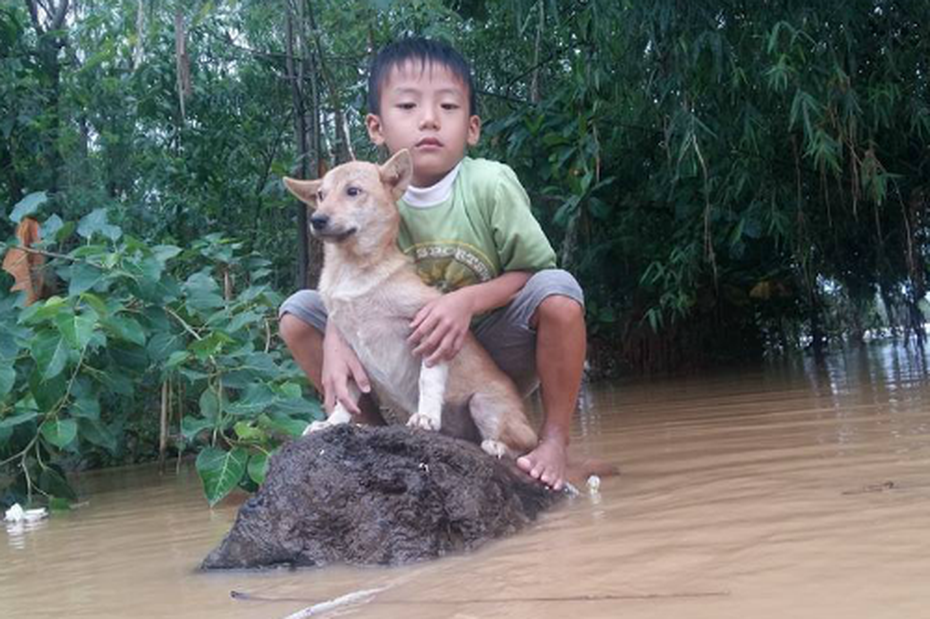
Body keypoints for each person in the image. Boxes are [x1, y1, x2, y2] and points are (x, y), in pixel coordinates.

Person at [278, 37, 585, 491]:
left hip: (491, 350)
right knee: (298, 313)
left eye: (448, 106)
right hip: (408, 349)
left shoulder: (490, 185)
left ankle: (554, 441)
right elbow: (348, 289)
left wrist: (463, 303)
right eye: (407, 106)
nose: (429, 119)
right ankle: (371, 436)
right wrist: (339, 338)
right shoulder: (368, 198)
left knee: (560, 291)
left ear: (473, 127)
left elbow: (531, 273)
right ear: (376, 127)